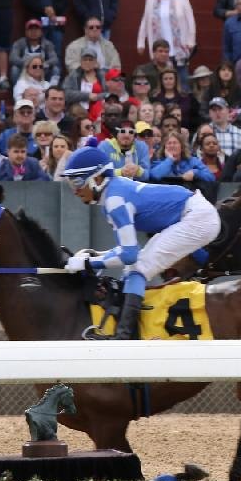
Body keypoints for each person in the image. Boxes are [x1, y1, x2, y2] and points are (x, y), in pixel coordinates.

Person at [61, 136, 221, 340]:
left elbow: (129, 254)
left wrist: (88, 262)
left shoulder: (115, 200)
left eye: (76, 182)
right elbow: (126, 251)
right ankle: (125, 330)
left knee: (138, 268)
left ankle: (124, 337)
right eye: (69, 183)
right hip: (193, 214)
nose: (74, 190)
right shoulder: (113, 193)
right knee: (132, 270)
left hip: (197, 217)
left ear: (97, 178)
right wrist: (98, 256)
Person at [136, 0, 196, 90]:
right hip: (160, 50)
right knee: (161, 83)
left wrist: (191, 41)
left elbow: (190, 21)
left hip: (179, 49)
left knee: (182, 81)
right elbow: (145, 20)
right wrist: (141, 42)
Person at [10, 19, 60, 84]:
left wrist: (41, 65)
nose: (33, 32)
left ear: (41, 32)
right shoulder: (19, 43)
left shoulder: (48, 44)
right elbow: (13, 57)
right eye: (30, 29)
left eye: (36, 29)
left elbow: (54, 59)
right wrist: (28, 65)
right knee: (14, 69)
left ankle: (51, 90)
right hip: (25, 71)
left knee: (55, 69)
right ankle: (18, 91)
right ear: (26, 32)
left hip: (42, 71)